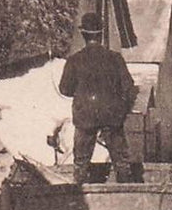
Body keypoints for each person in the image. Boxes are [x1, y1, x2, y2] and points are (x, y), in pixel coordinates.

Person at [58, 12, 137, 184]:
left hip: (85, 116)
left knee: (80, 163)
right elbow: (129, 88)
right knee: (121, 163)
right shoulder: (115, 59)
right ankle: (126, 193)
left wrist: (83, 93)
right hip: (112, 117)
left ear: (84, 34)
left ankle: (79, 193)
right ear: (101, 34)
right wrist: (121, 110)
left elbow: (64, 89)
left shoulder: (74, 60)